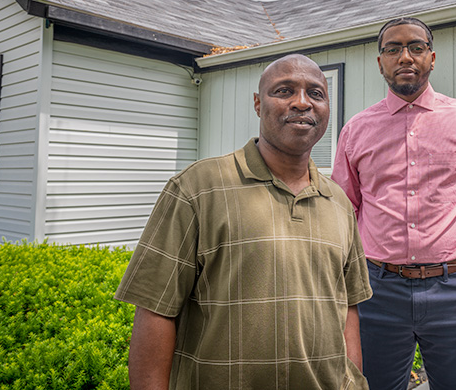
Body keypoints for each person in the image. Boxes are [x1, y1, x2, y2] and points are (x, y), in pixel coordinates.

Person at [115, 54, 372, 390]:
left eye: (316, 93)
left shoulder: (338, 202)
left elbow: (347, 309)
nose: (301, 103)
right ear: (257, 104)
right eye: (283, 91)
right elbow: (155, 311)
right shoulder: (197, 188)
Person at [332, 17, 456, 390]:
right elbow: (342, 210)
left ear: (431, 58)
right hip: (376, 293)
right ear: (380, 61)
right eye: (393, 48)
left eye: (416, 47)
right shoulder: (356, 129)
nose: (405, 56)